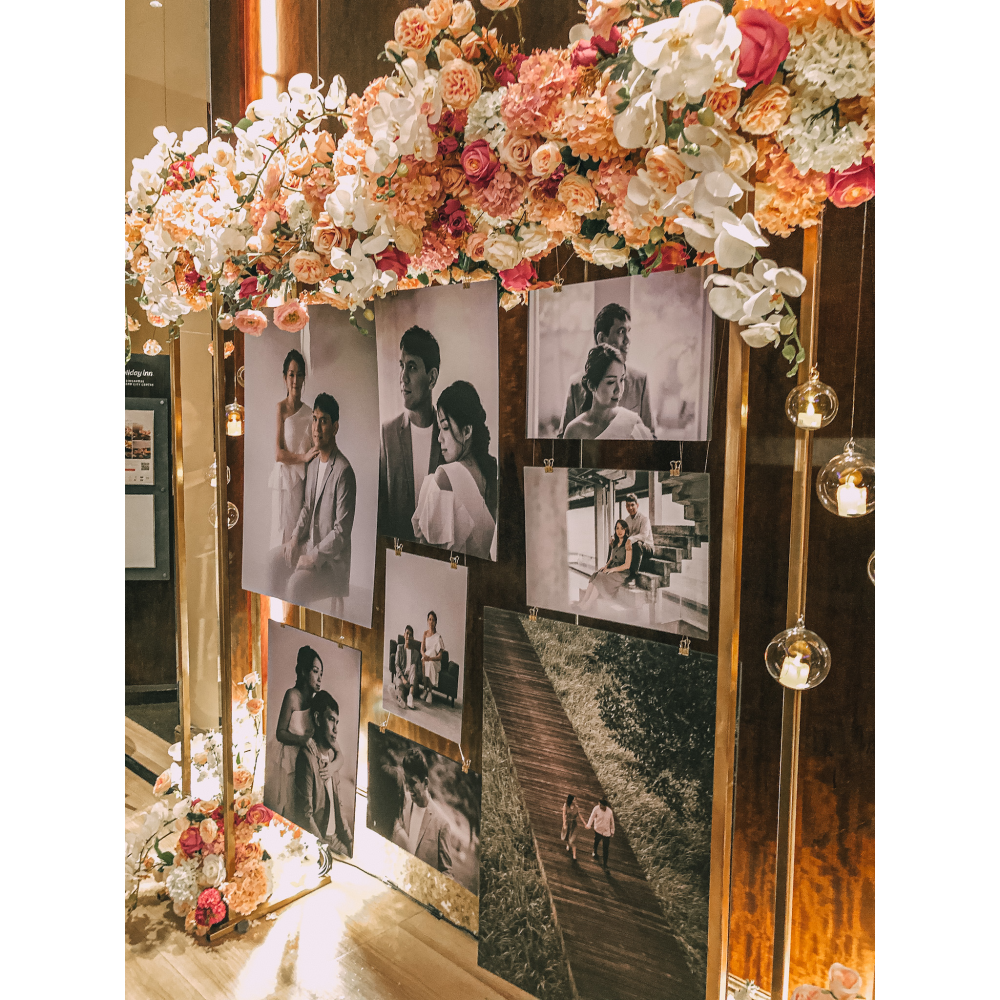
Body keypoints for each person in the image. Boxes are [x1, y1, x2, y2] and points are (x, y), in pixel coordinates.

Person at [271, 393, 356, 616]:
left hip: (331, 562)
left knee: (295, 585)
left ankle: (295, 628)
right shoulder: (314, 463)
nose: (316, 428)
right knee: (272, 562)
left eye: (324, 421)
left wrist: (313, 557)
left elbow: (341, 531)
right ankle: (275, 621)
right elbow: (307, 507)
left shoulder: (344, 472)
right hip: (307, 545)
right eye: (314, 419)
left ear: (335, 427)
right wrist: (293, 539)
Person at [412, 380, 498, 560]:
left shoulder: (446, 475)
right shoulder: (490, 475)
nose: (439, 438)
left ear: (467, 431)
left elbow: (427, 555)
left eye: (445, 428)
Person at [379, 326, 444, 542]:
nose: (403, 378)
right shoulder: (387, 434)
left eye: (412, 367)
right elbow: (381, 514)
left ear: (432, 378)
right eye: (402, 366)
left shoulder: (449, 436)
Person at [558, 303, 654, 438]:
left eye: (628, 331)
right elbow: (563, 441)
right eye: (621, 332)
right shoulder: (576, 383)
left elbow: (651, 438)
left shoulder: (640, 381)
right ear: (602, 339)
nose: (628, 340)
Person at [268, 349, 317, 547]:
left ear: (304, 378)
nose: (295, 380)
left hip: (300, 485)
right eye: (291, 374)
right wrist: (303, 458)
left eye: (299, 375)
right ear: (284, 377)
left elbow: (315, 450)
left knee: (297, 537)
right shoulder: (281, 408)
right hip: (282, 483)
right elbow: (278, 454)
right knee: (280, 532)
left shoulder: (310, 413)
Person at [294, 689, 353, 855]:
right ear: (318, 719)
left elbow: (339, 805)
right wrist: (323, 849)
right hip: (320, 842)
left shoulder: (333, 758)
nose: (336, 729)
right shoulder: (307, 759)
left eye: (337, 722)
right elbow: (305, 816)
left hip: (337, 839)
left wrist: (349, 840)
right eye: (331, 720)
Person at [270, 645, 324, 819]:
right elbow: (280, 732)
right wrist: (303, 740)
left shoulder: (316, 701)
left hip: (305, 762)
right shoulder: (291, 695)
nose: (319, 678)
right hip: (289, 759)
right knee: (289, 806)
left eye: (321, 674)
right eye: (315, 671)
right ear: (303, 672)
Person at [562, 345, 654, 441]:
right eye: (611, 382)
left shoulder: (632, 423)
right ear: (591, 385)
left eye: (621, 380)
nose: (619, 389)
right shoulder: (574, 431)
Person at [392, 748, 454, 877]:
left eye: (413, 783)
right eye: (406, 781)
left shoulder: (442, 825)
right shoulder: (402, 803)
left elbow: (447, 873)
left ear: (425, 783)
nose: (408, 789)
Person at [577, 519, 633, 613]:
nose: (619, 531)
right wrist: (606, 566)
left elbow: (627, 565)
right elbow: (611, 558)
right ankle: (583, 601)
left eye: (622, 529)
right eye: (617, 528)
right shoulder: (615, 543)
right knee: (596, 574)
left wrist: (612, 570)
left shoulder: (628, 544)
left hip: (622, 573)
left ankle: (588, 604)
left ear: (626, 530)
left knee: (600, 576)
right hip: (613, 569)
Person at [622, 493, 654, 588]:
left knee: (637, 544)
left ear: (637, 505)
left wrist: (630, 539)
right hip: (634, 548)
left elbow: (643, 536)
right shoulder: (627, 520)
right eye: (628, 505)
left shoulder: (644, 519)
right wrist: (614, 538)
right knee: (615, 544)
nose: (630, 508)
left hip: (647, 548)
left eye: (632, 505)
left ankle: (633, 577)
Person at [393, 625, 422, 710]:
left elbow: (420, 671)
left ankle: (410, 696)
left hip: (412, 680)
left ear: (412, 637)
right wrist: (403, 679)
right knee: (399, 686)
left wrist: (414, 675)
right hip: (402, 678)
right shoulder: (400, 648)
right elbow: (397, 665)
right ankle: (401, 699)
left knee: (413, 666)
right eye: (407, 633)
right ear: (404, 635)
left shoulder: (416, 653)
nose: (408, 636)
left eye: (410, 635)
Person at [420, 611, 446, 704]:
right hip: (426, 659)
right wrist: (424, 656)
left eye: (433, 620)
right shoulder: (425, 633)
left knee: (429, 663)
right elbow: (422, 649)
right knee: (424, 662)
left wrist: (430, 658)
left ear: (436, 622)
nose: (431, 622)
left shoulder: (438, 637)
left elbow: (440, 657)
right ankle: (425, 690)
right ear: (427, 621)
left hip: (435, 662)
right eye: (430, 619)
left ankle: (430, 692)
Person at [586, 797, 616, 868]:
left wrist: (612, 830)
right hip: (598, 830)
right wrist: (589, 825)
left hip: (606, 832)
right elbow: (592, 817)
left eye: (601, 805)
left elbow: (612, 822)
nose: (599, 806)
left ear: (605, 806)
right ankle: (595, 851)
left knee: (605, 848)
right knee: (596, 841)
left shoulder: (609, 812)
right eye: (599, 804)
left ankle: (605, 863)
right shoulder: (596, 809)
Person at [561, 793, 583, 861]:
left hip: (573, 824)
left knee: (572, 840)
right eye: (574, 800)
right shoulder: (566, 805)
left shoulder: (576, 807)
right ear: (571, 800)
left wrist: (584, 823)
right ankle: (567, 844)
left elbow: (579, 815)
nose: (575, 801)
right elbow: (564, 815)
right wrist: (564, 823)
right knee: (567, 835)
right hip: (568, 823)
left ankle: (574, 855)